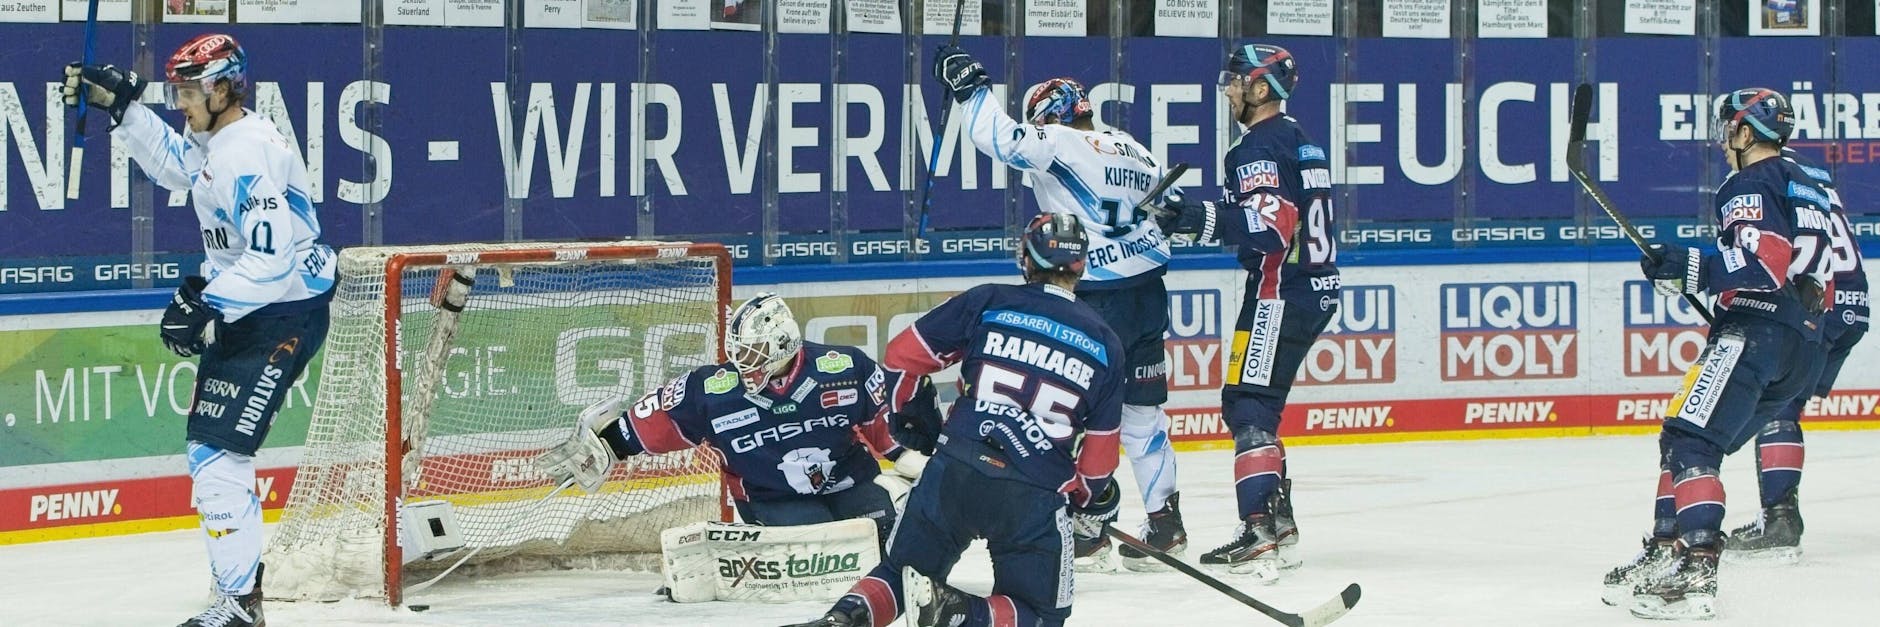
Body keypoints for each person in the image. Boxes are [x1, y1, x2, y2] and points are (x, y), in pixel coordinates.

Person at [63, 34, 336, 627]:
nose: (180, 101)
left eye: (188, 90)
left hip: (283, 308)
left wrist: (207, 302)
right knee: (211, 449)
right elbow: (179, 169)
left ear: (222, 87)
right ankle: (237, 596)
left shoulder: (246, 152)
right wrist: (126, 109)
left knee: (217, 450)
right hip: (260, 304)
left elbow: (275, 260)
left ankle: (238, 605)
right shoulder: (218, 139)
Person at [786, 213, 1127, 627]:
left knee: (900, 572)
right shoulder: (1107, 343)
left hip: (956, 467)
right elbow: (1098, 463)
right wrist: (1087, 499)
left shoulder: (988, 300)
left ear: (1025, 258)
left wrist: (915, 414)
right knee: (1041, 613)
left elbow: (899, 358)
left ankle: (839, 620)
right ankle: (958, 611)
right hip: (1031, 491)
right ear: (1083, 264)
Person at [1603, 88, 1842, 620]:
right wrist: (1699, 275)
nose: (1723, 140)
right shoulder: (1810, 181)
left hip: (1755, 337)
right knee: (1688, 434)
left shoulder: (1748, 182)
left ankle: (1696, 571)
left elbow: (1764, 265)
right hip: (1802, 342)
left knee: (1690, 441)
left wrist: (1694, 266)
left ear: (1746, 132)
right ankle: (1667, 548)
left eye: (1729, 128)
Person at [948, 59, 1185, 570]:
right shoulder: (1134, 148)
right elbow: (1176, 208)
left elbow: (1002, 140)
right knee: (1142, 416)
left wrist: (971, 91)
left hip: (1097, 299)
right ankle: (1166, 520)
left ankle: (1090, 524)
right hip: (1148, 294)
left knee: (1065, 410)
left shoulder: (1059, 144)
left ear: (1051, 116)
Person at [1152, 43, 1340, 577]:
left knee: (1248, 404)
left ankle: (1258, 526)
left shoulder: (1257, 147)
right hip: (1313, 288)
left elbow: (1270, 229)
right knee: (1259, 403)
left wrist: (1193, 216)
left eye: (1237, 81)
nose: (1228, 89)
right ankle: (1279, 524)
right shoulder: (1301, 141)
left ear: (1261, 89)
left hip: (1279, 293)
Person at [537, 294, 923, 549]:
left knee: (886, 541)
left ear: (784, 344)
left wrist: (903, 454)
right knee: (817, 551)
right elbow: (653, 422)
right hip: (773, 497)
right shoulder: (712, 391)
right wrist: (608, 447)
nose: (743, 363)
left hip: (849, 482)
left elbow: (879, 420)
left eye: (753, 352)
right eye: (738, 352)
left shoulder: (842, 368)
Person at [1720, 147, 1868, 561]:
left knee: (1777, 403)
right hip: (1851, 302)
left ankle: (1781, 518)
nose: (1724, 148)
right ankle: (1780, 513)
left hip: (1813, 303)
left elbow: (1770, 259)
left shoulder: (1767, 177)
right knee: (1785, 401)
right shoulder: (1813, 174)